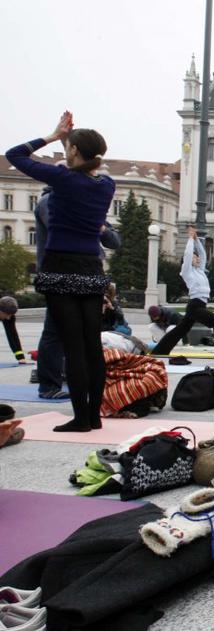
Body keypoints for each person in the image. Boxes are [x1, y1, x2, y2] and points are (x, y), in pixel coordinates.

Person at [6, 111, 115, 432]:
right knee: (91, 347)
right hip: (91, 271)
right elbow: (82, 167)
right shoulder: (106, 185)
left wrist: (53, 136)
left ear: (72, 152)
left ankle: (80, 418)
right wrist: (69, 141)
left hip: (60, 270)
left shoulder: (63, 181)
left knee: (73, 347)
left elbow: (15, 155)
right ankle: (93, 415)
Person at [33, 182, 121, 398]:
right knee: (54, 331)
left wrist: (100, 226)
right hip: (59, 274)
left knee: (83, 333)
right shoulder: (49, 202)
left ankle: (75, 382)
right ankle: (49, 385)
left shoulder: (84, 205)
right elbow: (62, 230)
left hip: (87, 274)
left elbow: (114, 241)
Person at [151, 227, 214, 356]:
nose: (197, 258)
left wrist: (196, 240)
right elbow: (187, 255)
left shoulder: (200, 271)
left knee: (180, 330)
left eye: (196, 257)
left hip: (200, 305)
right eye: (194, 257)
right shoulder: (186, 271)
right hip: (195, 306)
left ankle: (159, 351)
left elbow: (203, 255)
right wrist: (190, 240)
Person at [0, 297, 28, 364]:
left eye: (11, 315)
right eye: (7, 314)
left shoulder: (10, 317)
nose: (8, 317)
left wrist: (20, 357)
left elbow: (13, 336)